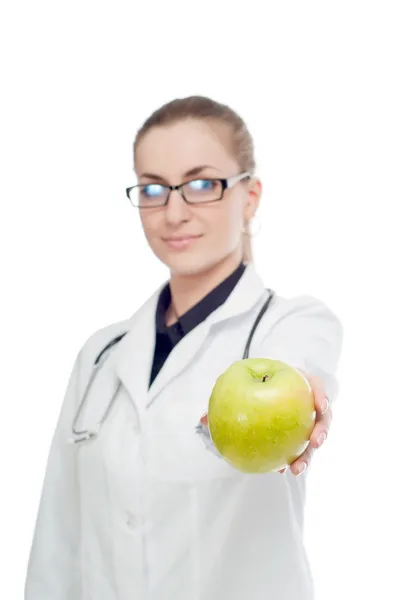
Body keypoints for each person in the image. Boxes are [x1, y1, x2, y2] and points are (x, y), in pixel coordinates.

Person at [24, 95, 343, 600]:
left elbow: (295, 367)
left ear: (250, 197)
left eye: (201, 184)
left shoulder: (290, 323)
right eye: (153, 188)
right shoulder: (100, 354)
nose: (173, 212)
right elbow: (57, 540)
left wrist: (302, 400)